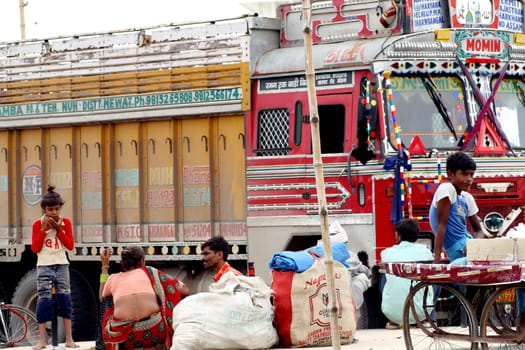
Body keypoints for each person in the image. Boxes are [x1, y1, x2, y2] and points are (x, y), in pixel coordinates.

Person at [99, 246, 189, 349]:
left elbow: (101, 297)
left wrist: (105, 266)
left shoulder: (113, 278)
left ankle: (102, 346)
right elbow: (183, 289)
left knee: (108, 303)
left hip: (124, 338)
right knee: (163, 292)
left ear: (122, 263)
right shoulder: (150, 272)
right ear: (142, 261)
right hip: (154, 331)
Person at [31, 185, 78, 350]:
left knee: (65, 299)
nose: (54, 213)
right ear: (44, 209)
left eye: (57, 209)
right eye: (50, 209)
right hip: (44, 265)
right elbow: (35, 248)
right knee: (44, 300)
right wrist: (43, 230)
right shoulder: (38, 224)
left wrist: (59, 230)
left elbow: (70, 245)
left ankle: (69, 339)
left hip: (61, 264)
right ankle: (42, 340)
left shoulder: (66, 223)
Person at [429, 151, 484, 264]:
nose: (469, 179)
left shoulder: (467, 197)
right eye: (464, 174)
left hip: (471, 249)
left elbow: (479, 230)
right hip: (459, 255)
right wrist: (436, 262)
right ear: (450, 174)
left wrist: (473, 246)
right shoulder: (447, 188)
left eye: (471, 175)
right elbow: (441, 225)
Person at [380, 218, 434, 329]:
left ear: (398, 235)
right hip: (420, 312)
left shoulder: (385, 254)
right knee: (432, 279)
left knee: (384, 278)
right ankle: (426, 319)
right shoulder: (426, 252)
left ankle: (393, 321)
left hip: (392, 313)